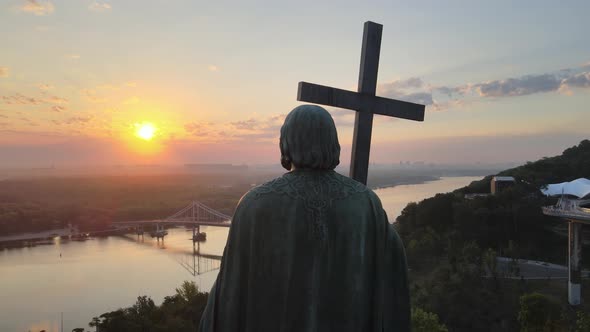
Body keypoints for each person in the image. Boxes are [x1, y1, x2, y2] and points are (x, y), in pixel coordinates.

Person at [199, 105, 410, 332]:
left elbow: (229, 295)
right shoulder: (366, 202)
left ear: (286, 143)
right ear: (332, 143)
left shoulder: (254, 204)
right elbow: (393, 279)